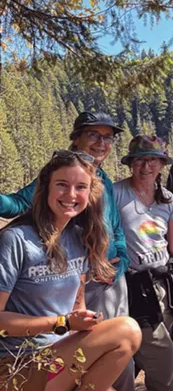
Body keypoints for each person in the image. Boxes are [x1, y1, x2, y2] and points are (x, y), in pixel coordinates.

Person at [0, 111, 135, 391]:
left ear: (90, 193)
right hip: (17, 363)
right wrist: (60, 323)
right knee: (127, 330)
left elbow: (77, 305)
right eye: (62, 185)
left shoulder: (79, 238)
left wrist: (81, 320)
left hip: (59, 354)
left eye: (80, 187)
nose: (71, 195)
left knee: (121, 349)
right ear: (45, 189)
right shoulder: (17, 240)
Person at [114, 135, 173, 391]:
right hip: (134, 289)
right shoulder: (116, 193)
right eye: (140, 160)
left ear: (162, 164)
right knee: (164, 361)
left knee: (146, 358)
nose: (146, 167)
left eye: (152, 160)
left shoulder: (167, 199)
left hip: (164, 286)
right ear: (131, 163)